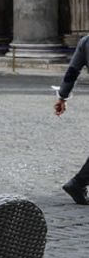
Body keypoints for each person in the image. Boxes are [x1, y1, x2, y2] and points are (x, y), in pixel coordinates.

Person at [54, 32, 89, 204]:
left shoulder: (85, 42)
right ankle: (78, 182)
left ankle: (78, 183)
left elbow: (72, 72)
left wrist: (62, 97)